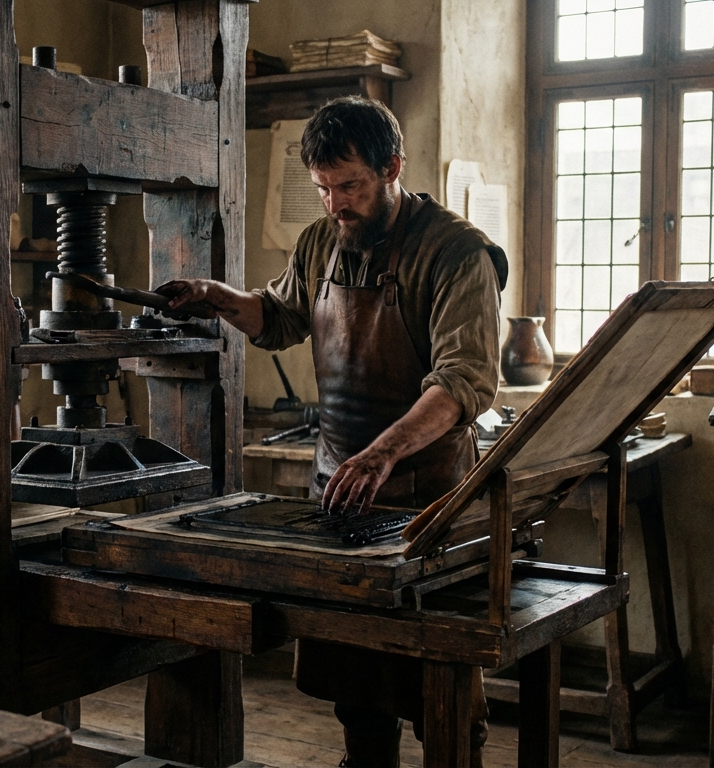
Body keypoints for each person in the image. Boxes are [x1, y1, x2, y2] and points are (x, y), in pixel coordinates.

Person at [157, 96, 507, 768]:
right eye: (323, 188)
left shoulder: (458, 252)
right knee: (357, 673)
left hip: (428, 499)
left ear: (392, 167)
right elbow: (282, 317)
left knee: (439, 674)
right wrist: (216, 296)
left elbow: (463, 384)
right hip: (343, 492)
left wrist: (381, 454)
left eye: (350, 187)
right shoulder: (322, 240)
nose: (335, 204)